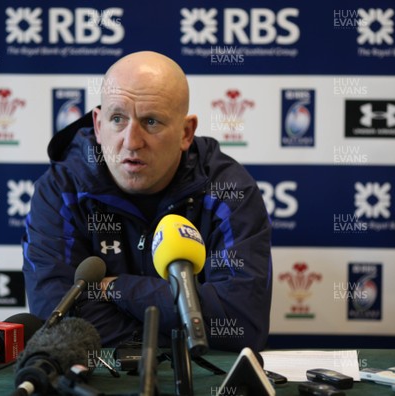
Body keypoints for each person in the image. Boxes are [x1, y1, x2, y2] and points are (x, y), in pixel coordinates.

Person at [22, 51, 272, 352]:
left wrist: (115, 288)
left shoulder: (229, 191)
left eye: (151, 122)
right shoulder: (61, 191)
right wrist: (178, 330)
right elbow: (58, 322)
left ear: (186, 132)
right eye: (117, 119)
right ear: (98, 126)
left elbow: (240, 323)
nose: (131, 141)